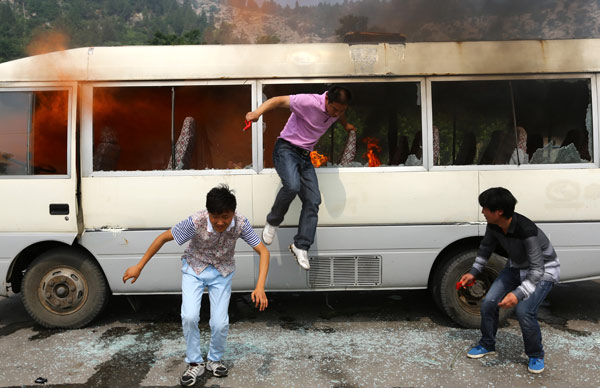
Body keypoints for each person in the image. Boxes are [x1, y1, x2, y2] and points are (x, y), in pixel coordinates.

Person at [122, 184, 270, 386]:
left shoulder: (241, 223)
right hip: (194, 267)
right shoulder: (195, 221)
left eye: (225, 217)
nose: (220, 222)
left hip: (222, 271)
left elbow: (264, 251)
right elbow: (164, 237)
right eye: (215, 217)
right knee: (189, 316)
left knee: (220, 322)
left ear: (233, 213)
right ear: (208, 212)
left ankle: (214, 360)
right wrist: (139, 266)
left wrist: (260, 286)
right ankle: (194, 363)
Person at [245, 85, 356, 270]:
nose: (336, 113)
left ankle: (300, 245)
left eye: (341, 110)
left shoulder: (337, 111)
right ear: (327, 99)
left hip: (305, 155)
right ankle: (273, 221)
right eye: (334, 109)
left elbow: (340, 113)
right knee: (292, 186)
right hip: (286, 149)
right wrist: (257, 112)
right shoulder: (308, 101)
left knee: (313, 200)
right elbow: (278, 100)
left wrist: (345, 124)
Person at [459, 187, 560, 374]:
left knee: (524, 311)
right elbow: (486, 248)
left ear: (499, 212)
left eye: (485, 208)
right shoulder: (494, 225)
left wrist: (518, 294)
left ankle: (536, 354)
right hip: (516, 267)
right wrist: (473, 272)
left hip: (544, 271)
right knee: (488, 303)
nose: (482, 212)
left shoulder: (526, 230)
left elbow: (537, 269)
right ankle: (487, 344)